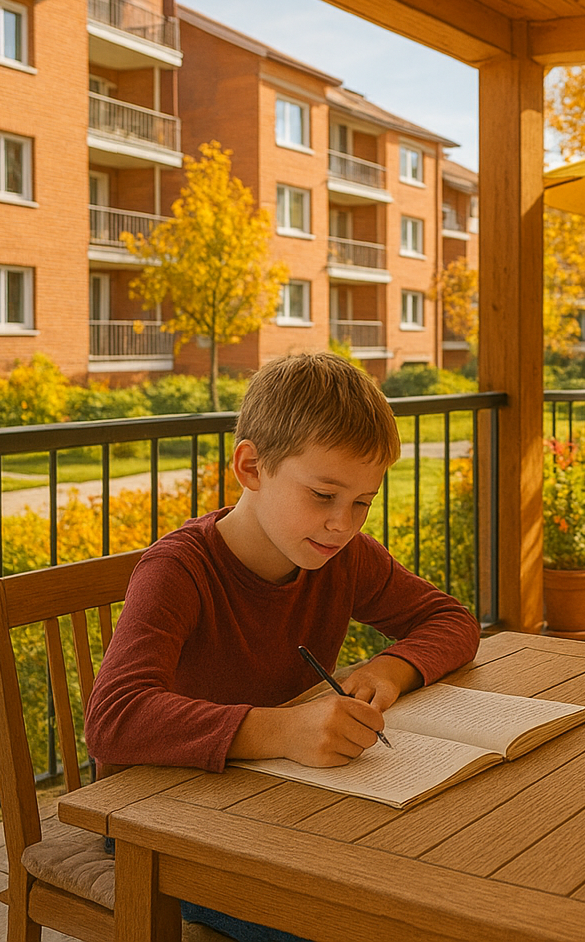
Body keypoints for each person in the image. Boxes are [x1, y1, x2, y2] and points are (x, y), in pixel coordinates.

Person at [85, 352, 481, 942]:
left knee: (445, 881)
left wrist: (390, 669)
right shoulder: (178, 570)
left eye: (362, 502)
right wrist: (286, 731)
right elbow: (113, 720)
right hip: (167, 829)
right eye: (323, 495)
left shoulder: (341, 557)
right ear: (251, 466)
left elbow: (449, 619)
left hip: (284, 809)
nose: (342, 524)